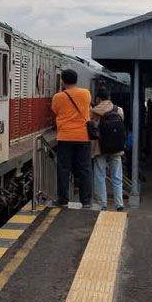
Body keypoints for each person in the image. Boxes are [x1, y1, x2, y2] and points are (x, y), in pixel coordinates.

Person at [51, 69, 92, 207]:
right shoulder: (86, 93)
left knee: (63, 169)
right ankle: (86, 201)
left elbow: (56, 111)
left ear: (62, 81)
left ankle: (63, 199)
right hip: (83, 137)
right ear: (76, 80)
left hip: (65, 136)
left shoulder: (57, 97)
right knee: (85, 168)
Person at [91, 87, 125, 211]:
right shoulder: (119, 110)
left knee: (100, 175)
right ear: (109, 97)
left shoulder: (94, 111)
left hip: (100, 148)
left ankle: (103, 204)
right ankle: (119, 204)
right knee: (117, 176)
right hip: (116, 148)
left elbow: (92, 127)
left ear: (98, 98)